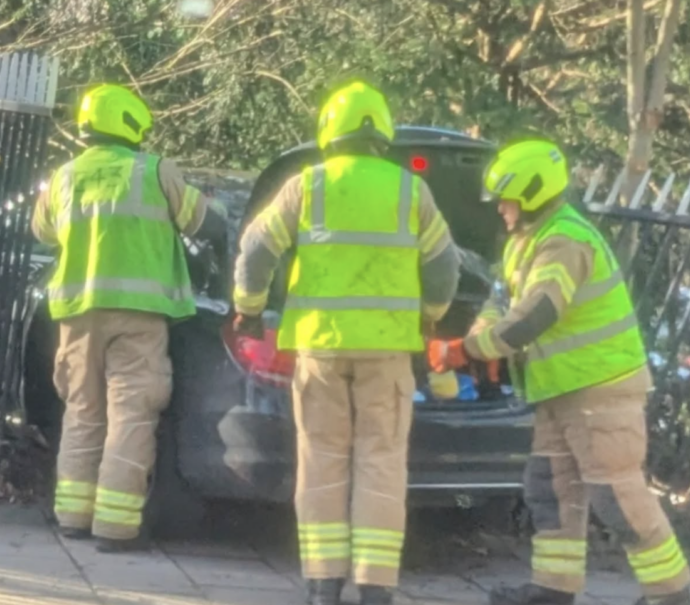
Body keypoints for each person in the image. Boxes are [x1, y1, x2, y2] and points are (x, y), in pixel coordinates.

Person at [428, 139, 690, 605]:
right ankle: (553, 590)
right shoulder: (525, 242)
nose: (501, 209)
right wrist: (483, 333)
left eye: (506, 199)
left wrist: (464, 350)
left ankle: (671, 595)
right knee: (549, 490)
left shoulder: (564, 241)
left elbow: (535, 315)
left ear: (532, 192)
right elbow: (502, 303)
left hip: (600, 390)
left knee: (616, 497)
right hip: (561, 391)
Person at [232, 80, 459, 605]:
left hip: (321, 350)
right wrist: (431, 317)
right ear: (382, 131)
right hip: (387, 351)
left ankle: (322, 585)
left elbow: (255, 251)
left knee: (322, 459)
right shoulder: (410, 190)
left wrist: (248, 307)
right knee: (381, 460)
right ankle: (376, 587)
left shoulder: (306, 185)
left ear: (329, 132)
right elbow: (445, 267)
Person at [31, 83, 226, 552]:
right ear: (130, 123)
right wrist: (214, 202)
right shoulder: (156, 172)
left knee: (82, 412)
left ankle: (72, 518)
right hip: (139, 318)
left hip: (77, 316)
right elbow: (208, 223)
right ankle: (116, 528)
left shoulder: (64, 177)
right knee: (131, 417)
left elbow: (42, 232)